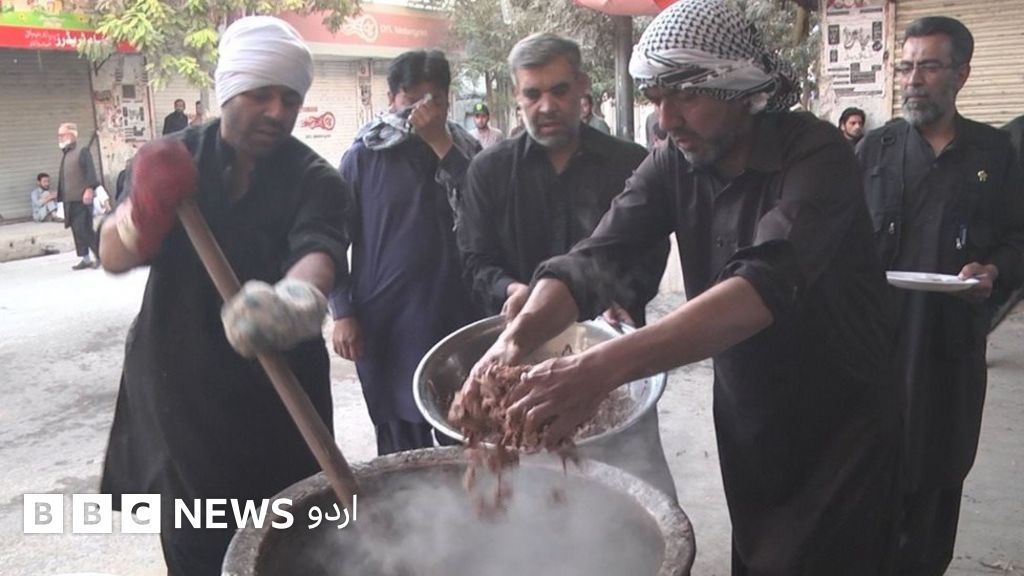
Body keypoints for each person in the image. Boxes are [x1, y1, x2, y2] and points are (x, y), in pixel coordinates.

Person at [459, 1, 901, 574]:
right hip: (749, 412)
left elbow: (762, 284)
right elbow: (596, 258)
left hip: (842, 420)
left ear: (740, 88)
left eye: (686, 96)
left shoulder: (817, 153)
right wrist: (513, 341)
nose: (666, 120)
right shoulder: (674, 162)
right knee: (759, 556)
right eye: (656, 97)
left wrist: (599, 369)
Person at [97, 17, 350, 576]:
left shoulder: (315, 179)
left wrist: (293, 302)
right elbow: (112, 254)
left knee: (294, 548)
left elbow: (320, 251)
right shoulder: (170, 159)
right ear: (229, 90)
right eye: (261, 95)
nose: (278, 111)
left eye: (290, 98)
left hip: (279, 403)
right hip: (180, 398)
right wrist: (142, 215)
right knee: (198, 551)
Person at [457, 33, 674, 497]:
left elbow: (651, 250)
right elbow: (475, 261)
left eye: (558, 90)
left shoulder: (630, 163)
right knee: (527, 493)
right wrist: (512, 290)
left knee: (636, 491)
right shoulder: (488, 171)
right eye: (533, 93)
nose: (547, 106)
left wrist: (621, 298)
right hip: (519, 361)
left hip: (612, 354)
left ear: (582, 87)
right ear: (517, 97)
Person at [856, 16, 1024, 575]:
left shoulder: (994, 153)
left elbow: (1017, 237)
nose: (913, 80)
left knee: (939, 469)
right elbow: (837, 237)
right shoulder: (874, 150)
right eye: (906, 66)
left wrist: (993, 268)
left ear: (961, 74)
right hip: (877, 344)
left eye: (929, 66)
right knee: (870, 470)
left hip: (950, 347)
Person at [330, 49, 482, 456]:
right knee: (401, 453)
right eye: (412, 100)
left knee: (466, 437)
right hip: (388, 327)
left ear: (448, 100)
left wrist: (440, 144)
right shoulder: (364, 156)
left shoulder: (467, 152)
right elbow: (332, 239)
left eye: (435, 100)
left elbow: (486, 214)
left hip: (457, 321)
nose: (423, 112)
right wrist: (342, 311)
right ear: (392, 98)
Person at [57, 123, 100, 269]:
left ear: (71, 135)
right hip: (70, 201)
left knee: (85, 229)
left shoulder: (82, 151)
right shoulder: (66, 154)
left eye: (62, 135)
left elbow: (90, 172)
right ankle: (86, 259)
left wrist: (89, 189)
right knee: (77, 231)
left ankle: (100, 256)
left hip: (82, 199)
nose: (60, 138)